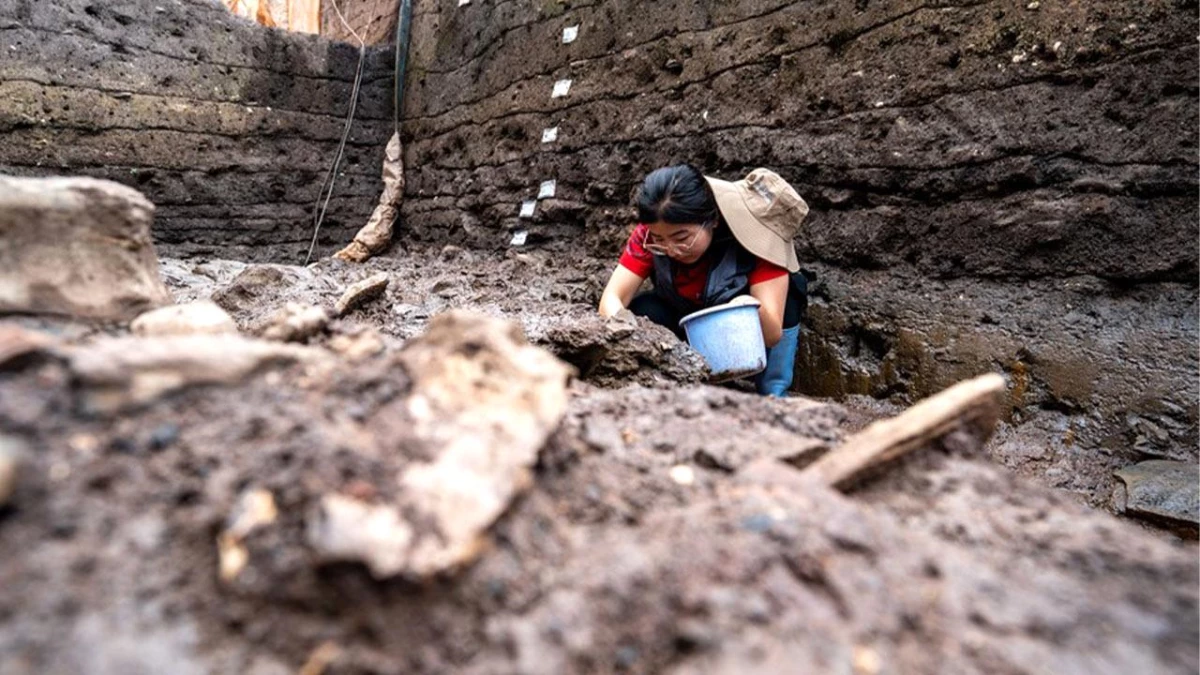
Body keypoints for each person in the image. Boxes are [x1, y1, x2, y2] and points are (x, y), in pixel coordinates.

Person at [598, 164, 809, 396]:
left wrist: (748, 310)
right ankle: (683, 384)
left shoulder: (757, 234)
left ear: (713, 220)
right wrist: (631, 334)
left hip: (743, 330)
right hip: (689, 326)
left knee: (791, 293)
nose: (671, 249)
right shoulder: (650, 234)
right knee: (643, 308)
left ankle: (773, 392)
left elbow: (771, 334)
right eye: (659, 240)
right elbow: (611, 298)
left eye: (682, 238)